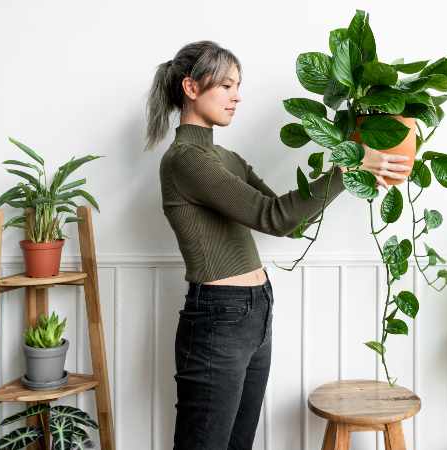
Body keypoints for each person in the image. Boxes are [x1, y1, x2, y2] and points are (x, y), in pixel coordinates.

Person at [143, 40, 410, 450]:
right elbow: (275, 216)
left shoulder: (227, 158)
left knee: (237, 445)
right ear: (191, 88)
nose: (237, 96)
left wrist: (356, 167)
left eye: (238, 86)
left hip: (255, 311)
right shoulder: (185, 160)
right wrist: (349, 166)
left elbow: (287, 220)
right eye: (226, 85)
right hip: (218, 319)